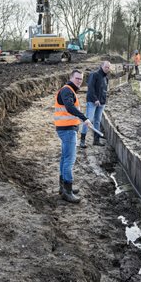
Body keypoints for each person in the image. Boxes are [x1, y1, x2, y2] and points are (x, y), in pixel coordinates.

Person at [54, 69, 92, 203]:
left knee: (65, 158)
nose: (79, 81)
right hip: (67, 130)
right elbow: (69, 107)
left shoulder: (69, 90)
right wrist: (84, 118)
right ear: (71, 78)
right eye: (77, 78)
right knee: (70, 160)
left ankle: (63, 187)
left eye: (81, 79)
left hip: (66, 129)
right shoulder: (67, 90)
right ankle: (67, 191)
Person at [80, 61, 111, 148]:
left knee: (97, 120)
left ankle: (96, 140)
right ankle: (82, 140)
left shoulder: (106, 78)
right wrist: (95, 99)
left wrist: (104, 101)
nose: (107, 69)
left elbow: (104, 90)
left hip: (102, 103)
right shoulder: (94, 74)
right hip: (92, 101)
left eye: (108, 67)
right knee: (88, 120)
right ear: (102, 66)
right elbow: (90, 88)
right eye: (106, 67)